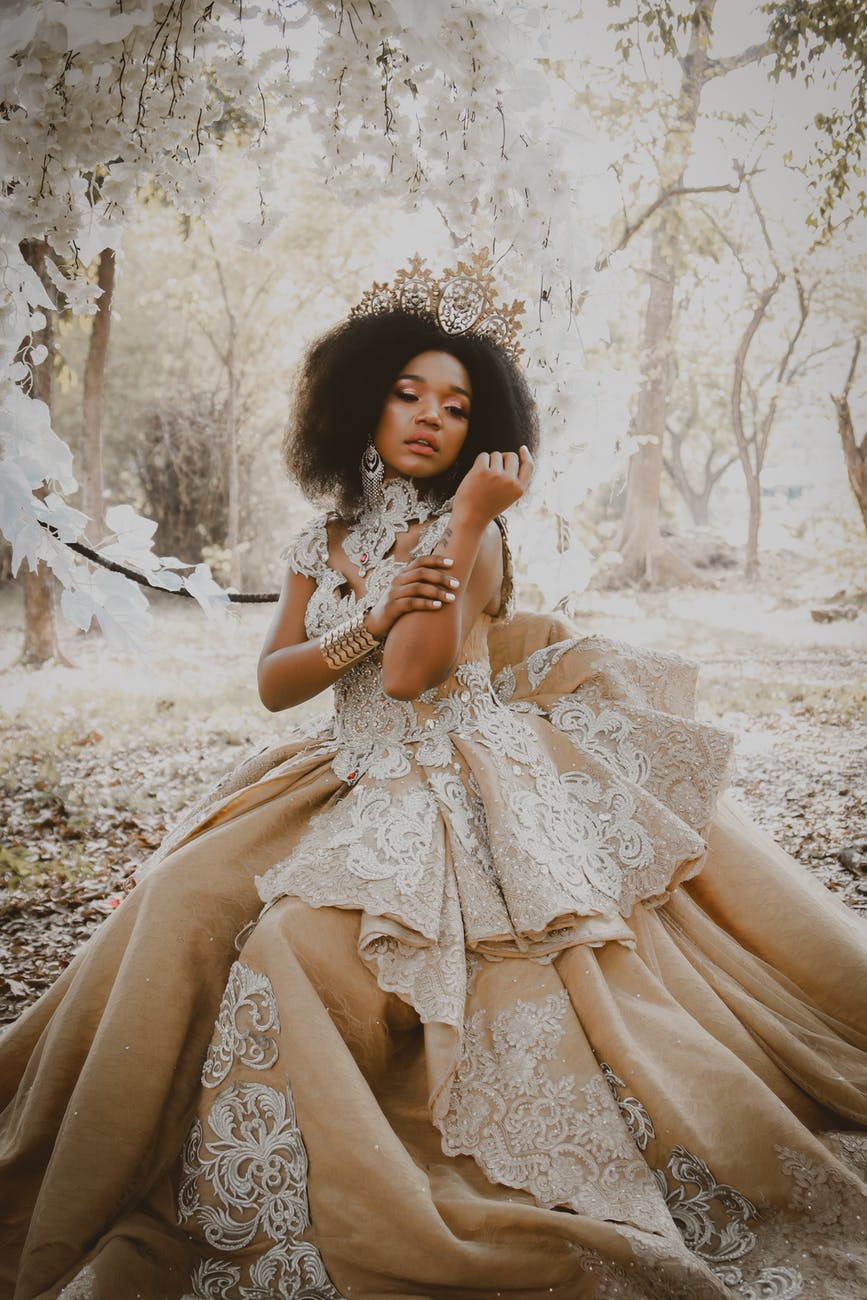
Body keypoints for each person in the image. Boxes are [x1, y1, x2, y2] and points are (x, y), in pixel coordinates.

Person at [1, 254, 866, 1300]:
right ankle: (109, 1131)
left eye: (455, 406)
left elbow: (412, 680)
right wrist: (367, 607)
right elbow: (275, 684)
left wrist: (457, 527)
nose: (426, 416)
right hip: (338, 770)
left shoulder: (478, 533)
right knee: (180, 894)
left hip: (451, 777)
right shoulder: (320, 536)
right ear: (362, 400)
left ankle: (360, 1140)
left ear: (481, 433)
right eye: (407, 392)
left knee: (293, 947)